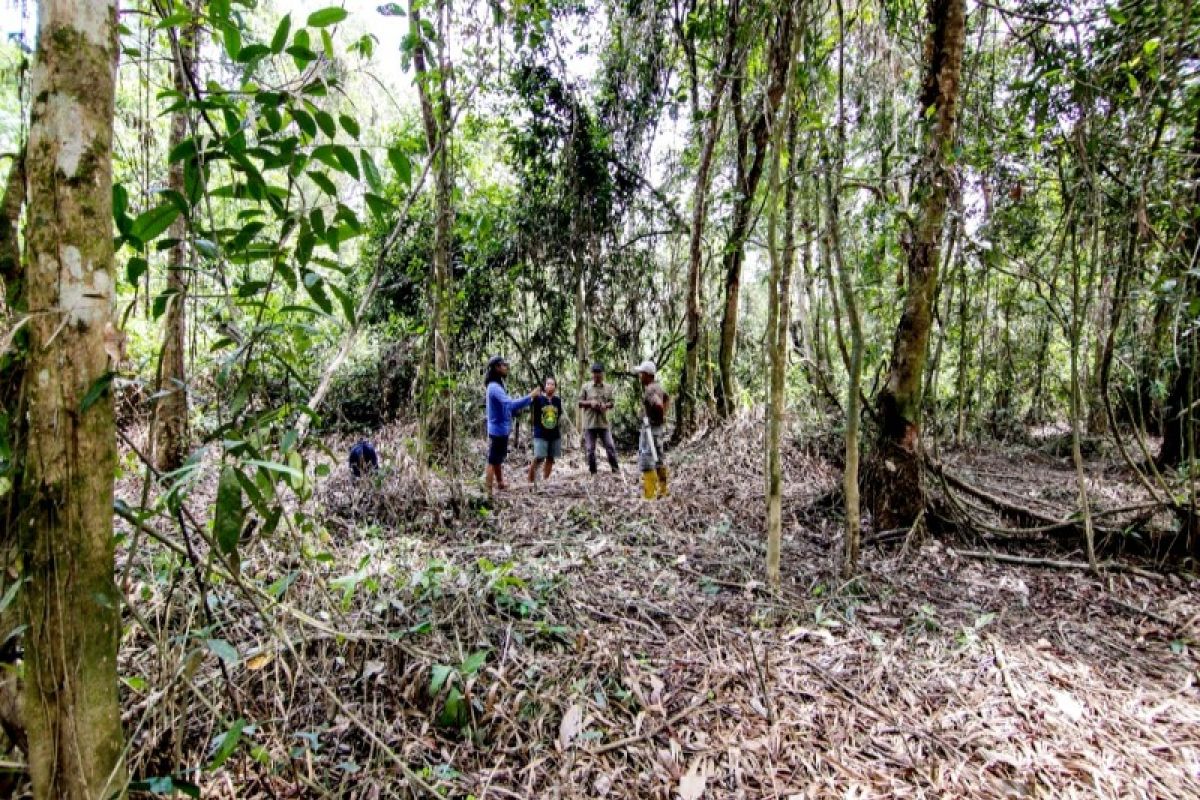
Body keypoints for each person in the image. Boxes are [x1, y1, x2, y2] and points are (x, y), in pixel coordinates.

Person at [484, 356, 540, 495]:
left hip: (501, 428)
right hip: (497, 430)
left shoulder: (498, 385)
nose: (506, 368)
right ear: (497, 367)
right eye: (503, 365)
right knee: (493, 460)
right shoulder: (494, 387)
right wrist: (530, 397)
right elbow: (509, 404)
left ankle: (500, 482)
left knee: (497, 459)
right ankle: (488, 492)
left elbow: (505, 407)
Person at [633, 360, 670, 499]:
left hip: (650, 429)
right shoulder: (658, 387)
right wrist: (662, 418)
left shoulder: (649, 390)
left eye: (641, 374)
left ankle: (649, 495)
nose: (640, 376)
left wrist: (656, 418)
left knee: (647, 460)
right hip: (658, 429)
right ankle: (663, 490)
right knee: (659, 458)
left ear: (647, 375)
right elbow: (666, 398)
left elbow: (659, 405)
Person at [579, 362, 620, 474]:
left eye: (599, 374)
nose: (596, 376)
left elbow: (612, 403)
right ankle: (593, 473)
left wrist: (605, 406)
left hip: (603, 423)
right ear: (592, 374)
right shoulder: (586, 387)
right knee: (590, 450)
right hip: (590, 423)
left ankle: (616, 471)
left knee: (610, 447)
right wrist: (590, 403)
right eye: (594, 374)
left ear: (603, 374)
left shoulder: (608, 388)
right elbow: (579, 403)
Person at [528, 376, 564, 484]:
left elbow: (559, 415)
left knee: (550, 457)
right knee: (538, 456)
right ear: (545, 386)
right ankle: (530, 480)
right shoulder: (538, 399)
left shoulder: (557, 400)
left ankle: (545, 481)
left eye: (552, 384)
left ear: (555, 387)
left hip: (554, 433)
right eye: (548, 384)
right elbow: (532, 409)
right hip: (540, 433)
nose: (550, 386)